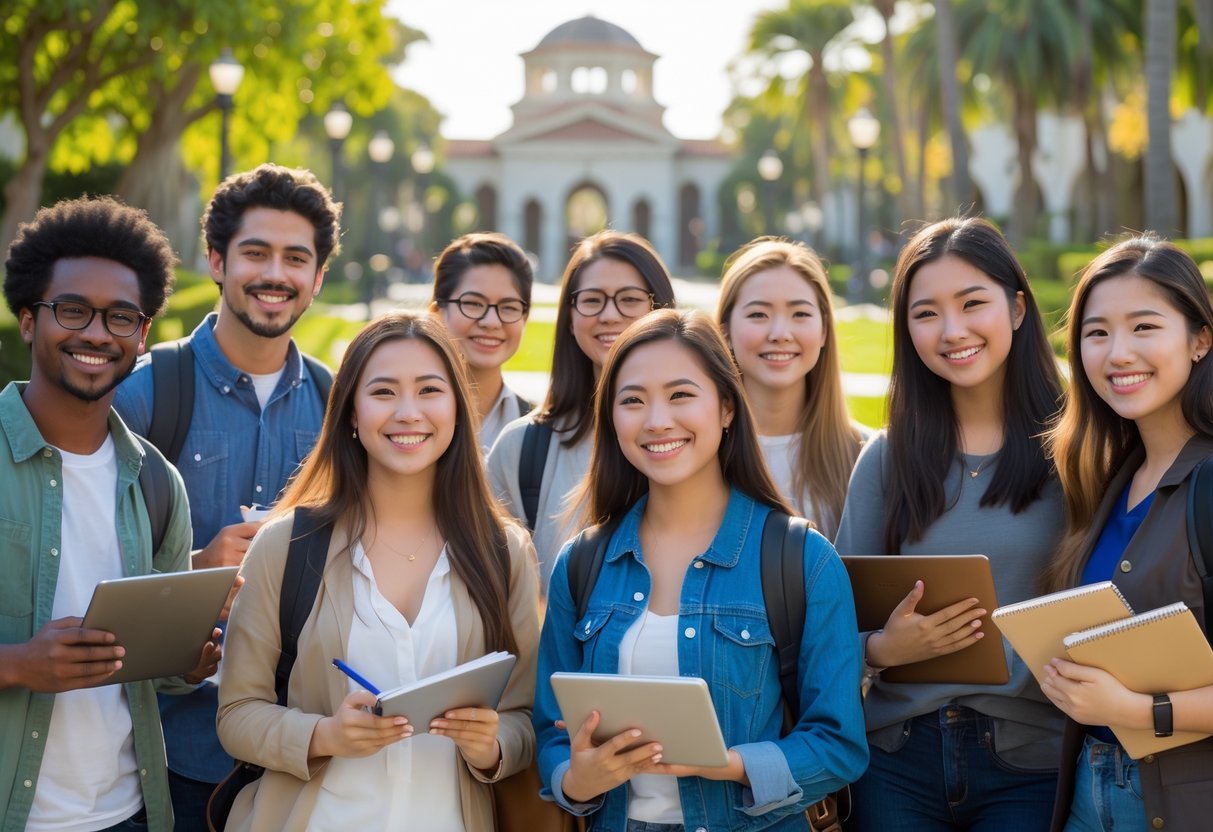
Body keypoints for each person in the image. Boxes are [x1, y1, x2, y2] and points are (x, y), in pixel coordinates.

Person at [533, 308, 868, 831]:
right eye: (633, 400)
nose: (657, 420)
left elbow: (839, 745)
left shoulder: (801, 558)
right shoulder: (581, 563)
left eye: (681, 394)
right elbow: (551, 730)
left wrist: (729, 765)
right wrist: (575, 781)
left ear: (727, 407)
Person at [216, 312, 540, 831]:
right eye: (384, 392)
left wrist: (492, 744)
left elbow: (526, 719)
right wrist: (323, 735)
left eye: (430, 390)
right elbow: (236, 715)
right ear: (350, 413)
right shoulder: (287, 544)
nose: (408, 413)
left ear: (457, 407)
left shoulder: (503, 551)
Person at [113, 163, 340, 826]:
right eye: (256, 253)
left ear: (318, 276)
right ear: (216, 260)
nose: (277, 274)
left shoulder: (340, 407)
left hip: (303, 750)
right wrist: (195, 571)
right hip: (173, 750)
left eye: (296, 258)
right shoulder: (144, 395)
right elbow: (78, 571)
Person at [834, 217, 1066, 831]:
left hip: (1032, 757)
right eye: (927, 312)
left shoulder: (1076, 453)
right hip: (896, 757)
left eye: (972, 304)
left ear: (1017, 308)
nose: (953, 331)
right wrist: (882, 649)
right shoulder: (886, 459)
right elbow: (825, 625)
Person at [0, 196, 217, 832]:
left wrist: (189, 660)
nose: (97, 333)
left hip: (129, 811)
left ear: (142, 334)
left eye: (121, 317)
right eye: (73, 310)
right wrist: (16, 664)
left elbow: (165, 680)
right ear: (27, 320)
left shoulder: (157, 482)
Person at [1040, 238, 1213, 832]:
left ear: (1199, 340)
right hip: (1088, 791)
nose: (1118, 353)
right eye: (1096, 333)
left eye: (1144, 327)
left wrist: (1137, 710)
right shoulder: (1110, 477)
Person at [487, 230, 676, 591]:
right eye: (592, 300)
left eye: (629, 299)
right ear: (570, 318)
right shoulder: (519, 450)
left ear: (660, 309)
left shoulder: (700, 437)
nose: (609, 315)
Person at [715, 237, 868, 539]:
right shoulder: (695, 452)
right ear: (725, 331)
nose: (780, 334)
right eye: (758, 314)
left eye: (800, 314)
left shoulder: (868, 456)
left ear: (824, 329)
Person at [430, 232, 534, 455]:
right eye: (473, 303)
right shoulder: (408, 421)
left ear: (524, 318)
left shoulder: (539, 431)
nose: (491, 322)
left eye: (509, 307)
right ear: (437, 312)